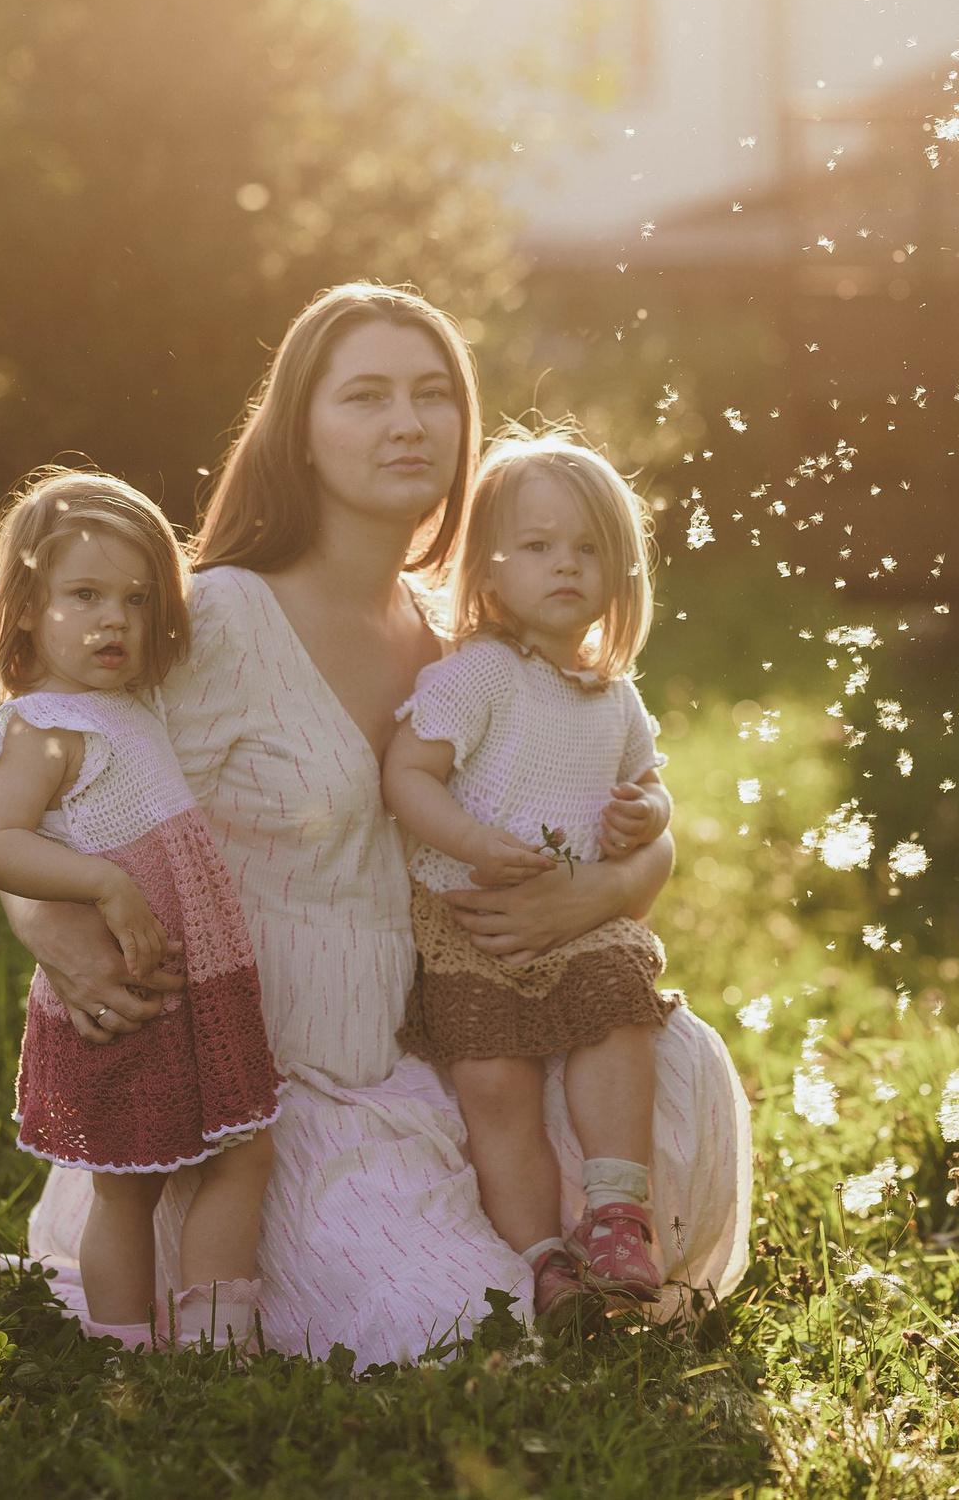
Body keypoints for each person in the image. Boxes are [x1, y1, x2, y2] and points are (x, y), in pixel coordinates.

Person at [0, 283, 750, 1363]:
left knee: (668, 1071)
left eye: (433, 393)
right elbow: (38, 769)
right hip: (263, 1094)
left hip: (433, 1048)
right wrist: (52, 930)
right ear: (298, 433)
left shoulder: (462, 636)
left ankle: (542, 1242)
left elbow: (613, 790)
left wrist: (617, 884)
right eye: (365, 395)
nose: (407, 421)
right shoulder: (221, 618)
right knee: (465, 1336)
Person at [0, 470, 282, 1352]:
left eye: (136, 599)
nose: (114, 620)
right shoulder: (43, 725)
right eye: (85, 595)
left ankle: (218, 1343)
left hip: (191, 977)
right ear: (26, 608)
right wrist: (103, 883)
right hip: (126, 985)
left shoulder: (124, 703)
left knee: (240, 1150)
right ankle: (124, 1346)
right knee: (123, 1182)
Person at [381, 431, 679, 1328]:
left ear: (621, 573)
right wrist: (470, 838)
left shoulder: (612, 693)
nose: (567, 566)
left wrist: (646, 817)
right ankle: (540, 1259)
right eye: (540, 547)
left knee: (616, 1016)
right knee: (494, 1085)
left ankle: (618, 1211)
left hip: (578, 920)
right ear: (490, 568)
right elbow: (407, 775)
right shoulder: (475, 676)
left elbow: (652, 781)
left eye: (589, 549)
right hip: (469, 917)